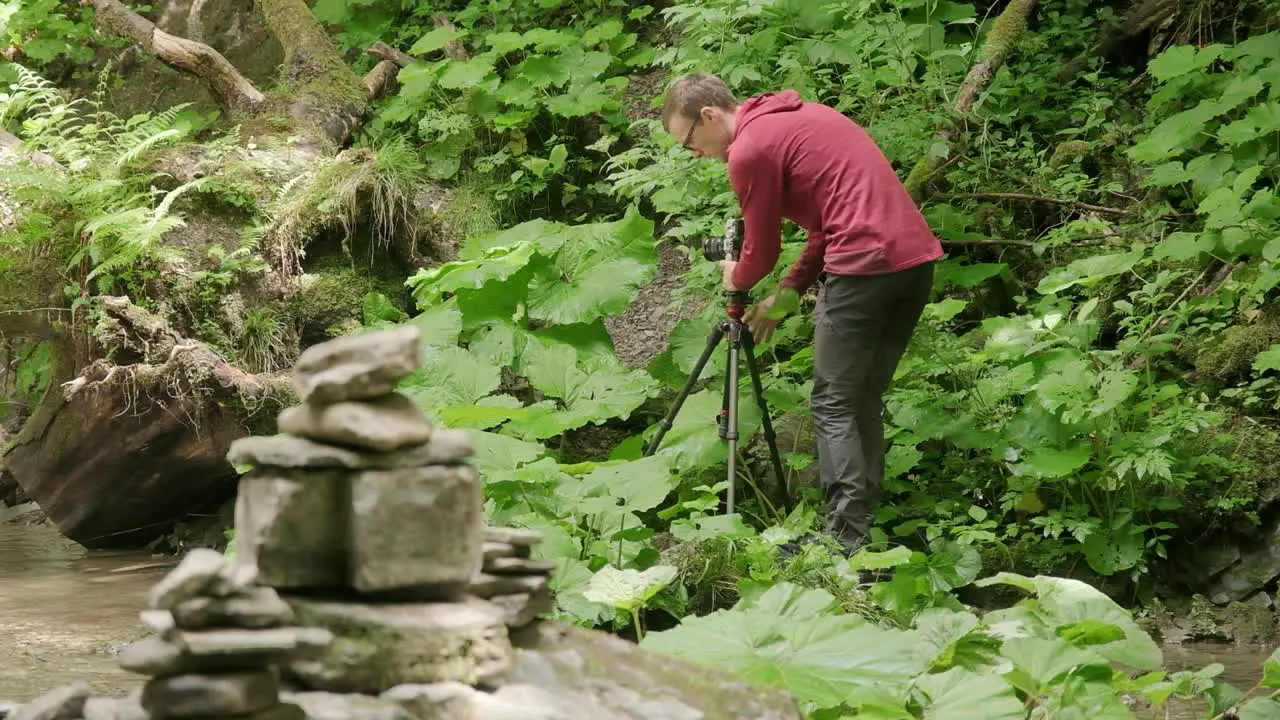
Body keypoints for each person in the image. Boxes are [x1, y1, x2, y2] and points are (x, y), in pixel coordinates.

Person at [661, 73, 943, 556]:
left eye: (689, 142)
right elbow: (822, 228)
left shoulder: (750, 150)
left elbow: (762, 249)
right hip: (911, 264)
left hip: (864, 267)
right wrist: (786, 297)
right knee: (861, 398)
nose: (696, 153)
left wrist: (738, 279)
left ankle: (843, 541)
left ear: (709, 115)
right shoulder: (799, 118)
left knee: (833, 403)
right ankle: (863, 526)